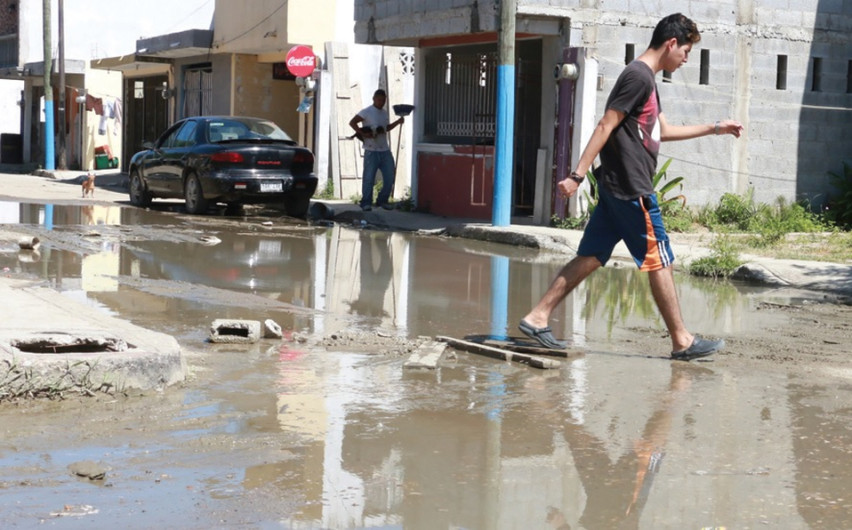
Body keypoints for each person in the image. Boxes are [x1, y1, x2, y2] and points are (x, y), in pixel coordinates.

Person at [519, 13, 744, 360]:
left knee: (591, 256)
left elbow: (662, 132)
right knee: (660, 259)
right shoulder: (638, 76)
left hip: (616, 189)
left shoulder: (647, 80)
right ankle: (682, 340)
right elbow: (605, 125)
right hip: (631, 188)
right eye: (685, 51)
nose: (685, 59)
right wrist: (577, 176)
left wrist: (716, 127)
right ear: (671, 43)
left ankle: (537, 317)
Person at [349, 89, 405, 211]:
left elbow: (386, 128)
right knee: (369, 177)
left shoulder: (384, 113)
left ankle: (382, 200)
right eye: (379, 99)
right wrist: (363, 134)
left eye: (383, 100)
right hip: (371, 150)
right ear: (374, 99)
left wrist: (398, 122)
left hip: (384, 150)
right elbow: (352, 122)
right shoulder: (366, 112)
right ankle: (366, 202)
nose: (381, 102)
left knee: (390, 176)